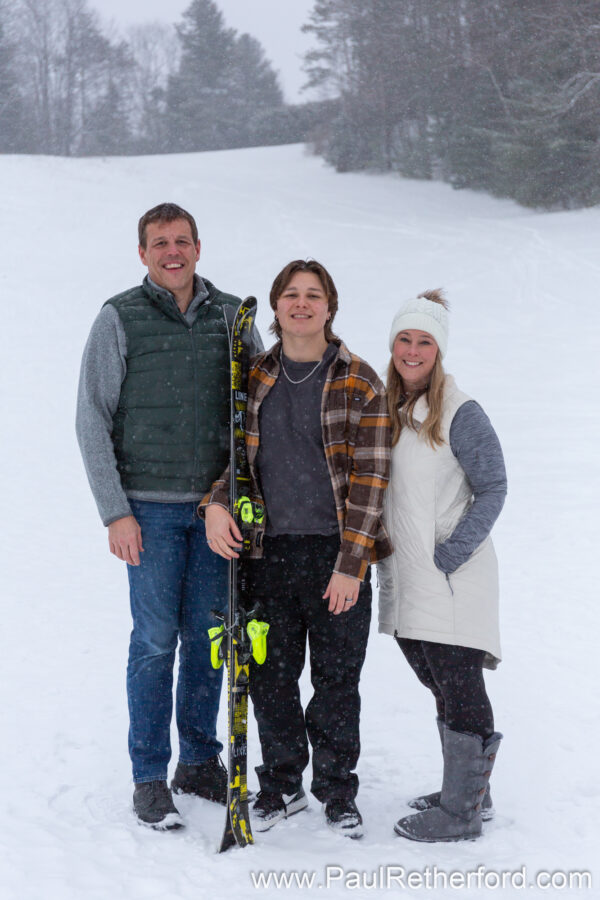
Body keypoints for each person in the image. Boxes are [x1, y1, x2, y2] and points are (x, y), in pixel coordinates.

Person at [76, 202, 262, 830]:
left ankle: (200, 762)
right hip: (149, 512)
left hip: (217, 513)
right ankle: (150, 776)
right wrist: (114, 512)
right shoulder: (118, 317)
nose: (172, 252)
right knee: (155, 642)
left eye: (182, 241)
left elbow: (256, 417)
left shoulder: (235, 317)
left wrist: (233, 497)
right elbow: (91, 418)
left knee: (210, 644)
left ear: (199, 248)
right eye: (160, 243)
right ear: (143, 253)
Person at [203, 259, 391, 839]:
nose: (301, 305)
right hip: (266, 556)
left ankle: (336, 790)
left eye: (313, 296)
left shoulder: (359, 380)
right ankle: (281, 785)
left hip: (336, 558)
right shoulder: (253, 375)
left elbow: (372, 481)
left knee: (337, 681)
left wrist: (350, 567)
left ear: (330, 307)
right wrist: (214, 502)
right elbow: (233, 460)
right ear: (277, 306)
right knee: (271, 679)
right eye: (291, 295)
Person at [378, 290, 506, 842]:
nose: (412, 350)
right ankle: (470, 790)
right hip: (408, 575)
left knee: (458, 683)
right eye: (404, 339)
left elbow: (494, 487)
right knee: (436, 679)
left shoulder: (460, 410)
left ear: (439, 350)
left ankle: (461, 813)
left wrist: (452, 553)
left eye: (423, 341)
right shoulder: (391, 406)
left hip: (452, 574)